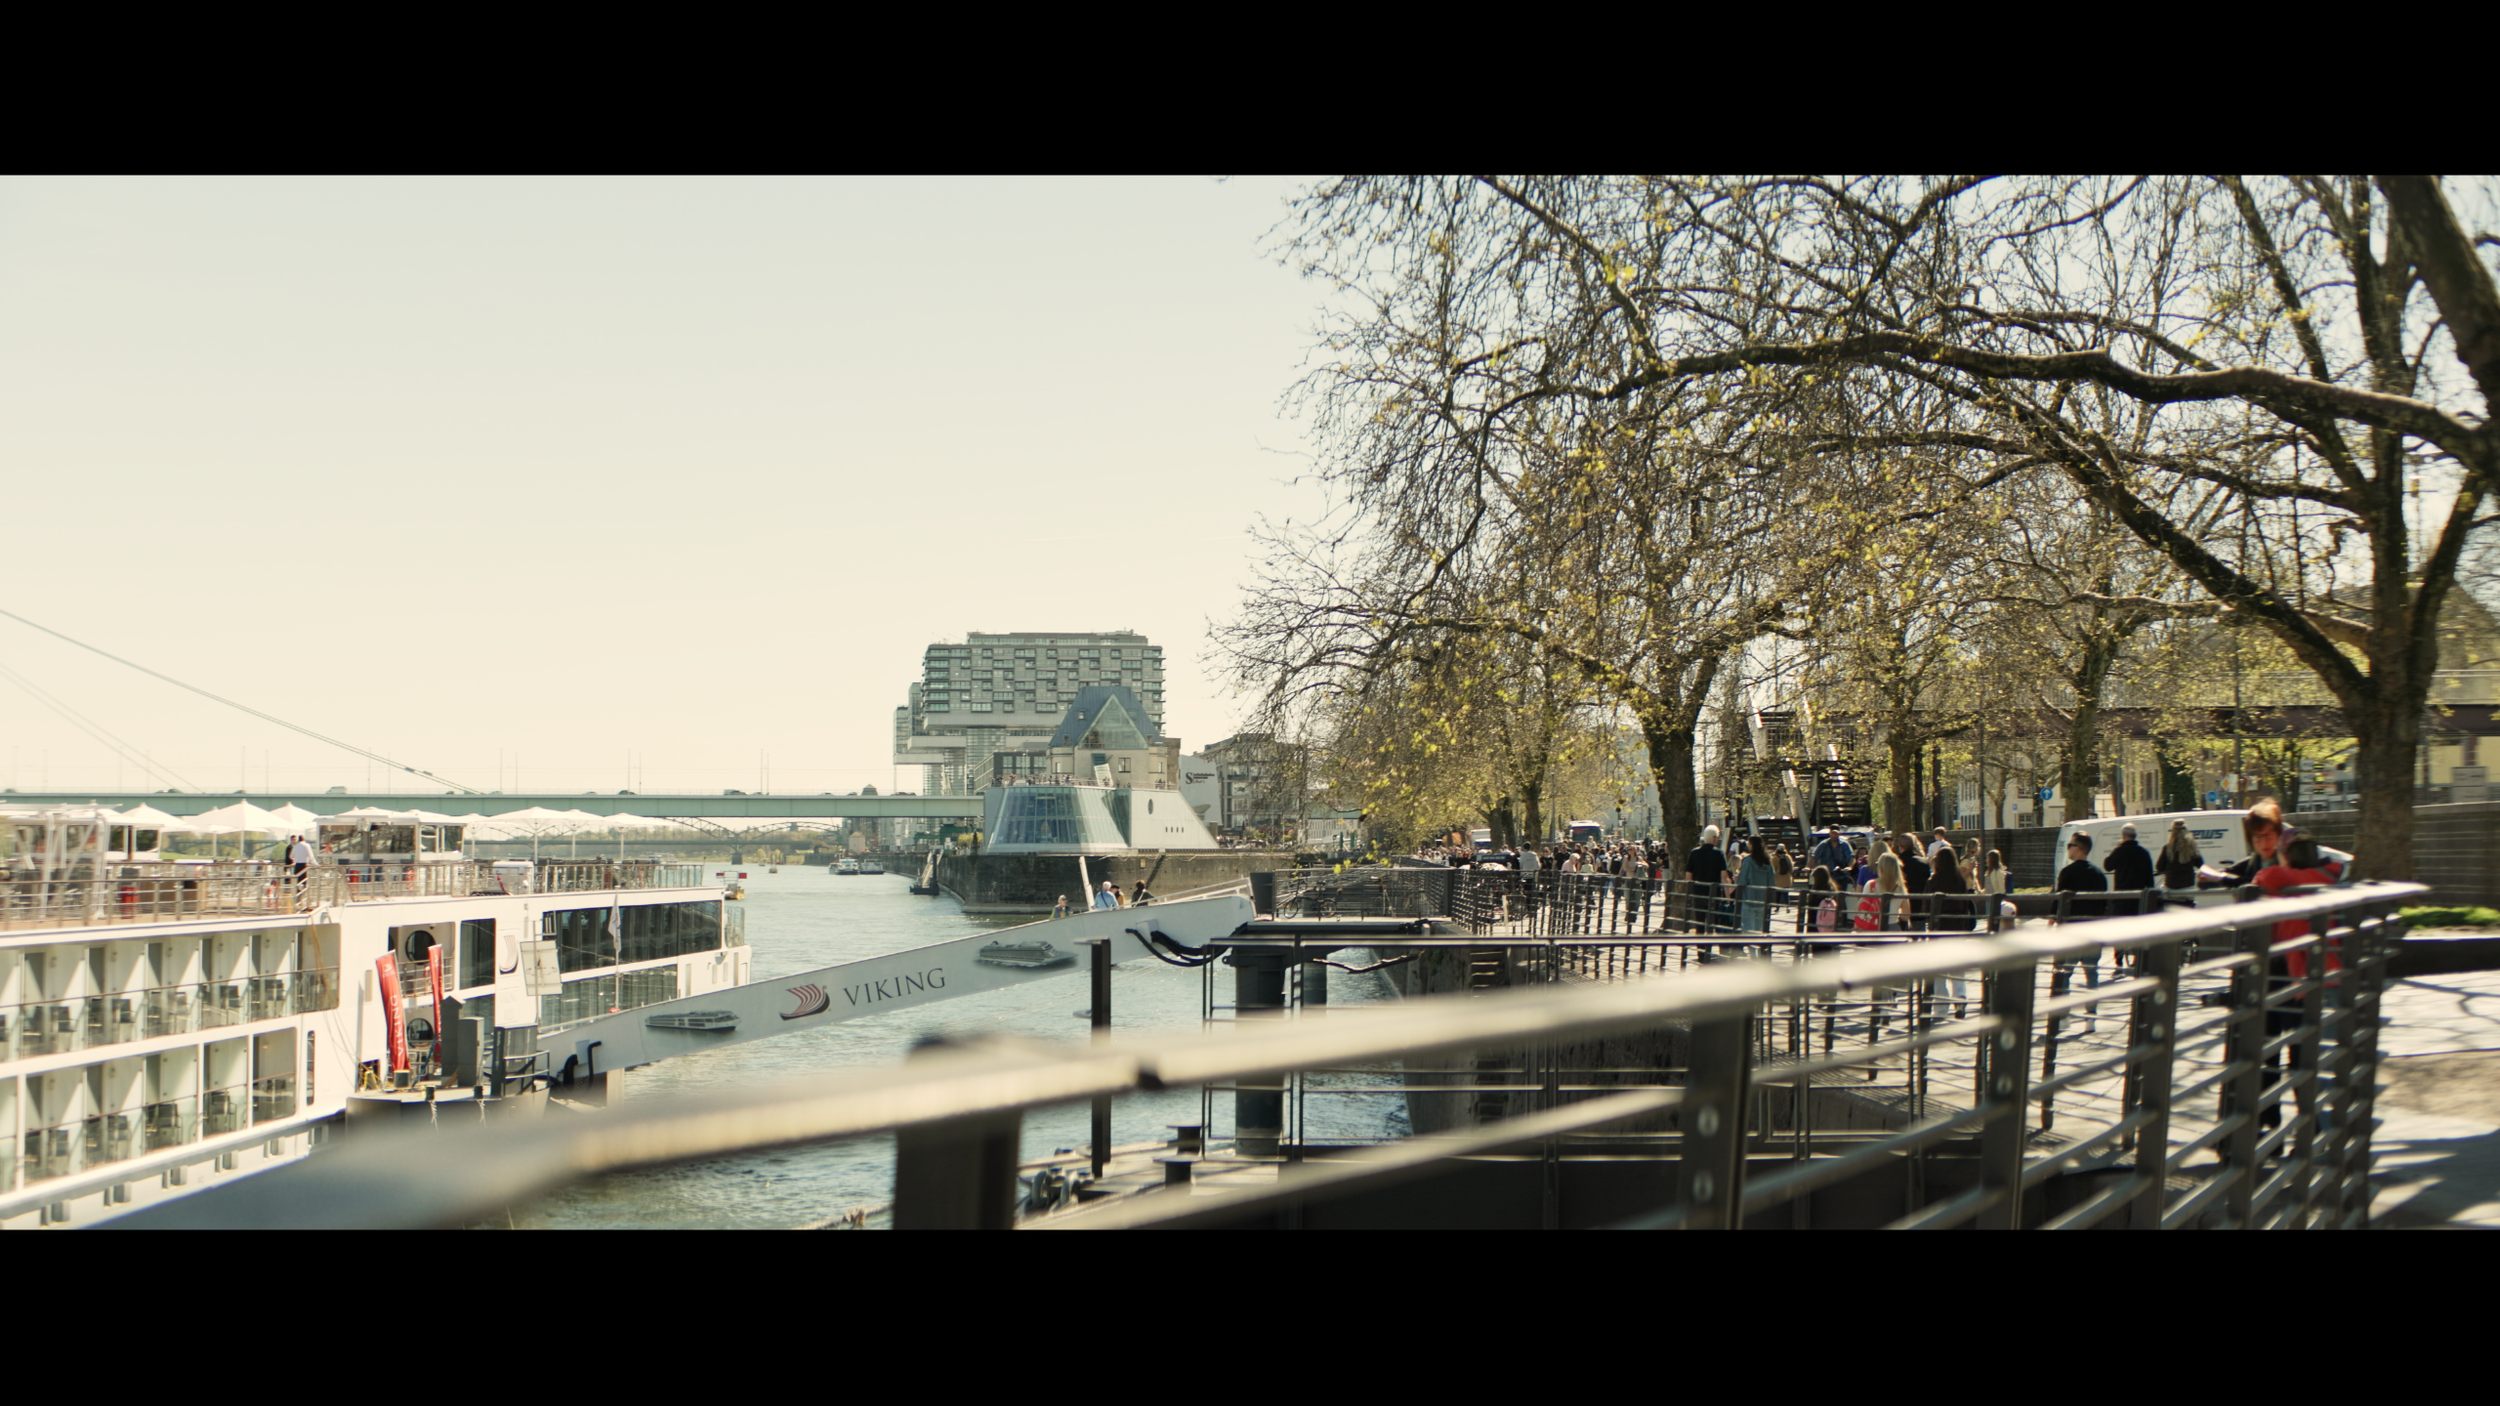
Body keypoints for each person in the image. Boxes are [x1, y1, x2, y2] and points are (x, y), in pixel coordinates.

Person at [2055, 833, 2110, 1029]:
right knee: (2092, 975)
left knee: (2064, 975)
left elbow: (2058, 904)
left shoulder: (2067, 873)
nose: (2068, 848)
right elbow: (2104, 905)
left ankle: (2063, 1018)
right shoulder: (2099, 875)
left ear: (2078, 848)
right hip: (2092, 932)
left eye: (2070, 845)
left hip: (2071, 932)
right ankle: (2090, 1018)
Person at [1685, 825, 1731, 934]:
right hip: (1714, 894)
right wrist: (1728, 898)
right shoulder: (1719, 853)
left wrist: (1690, 893)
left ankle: (1701, 950)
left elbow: (1688, 877)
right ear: (1715, 838)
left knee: (1699, 925)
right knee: (1714, 923)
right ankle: (1712, 948)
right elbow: (1724, 877)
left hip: (1698, 894)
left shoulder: (1694, 853)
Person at [1734, 835, 1775, 937]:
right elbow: (1772, 883)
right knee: (1759, 931)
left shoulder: (1748, 860)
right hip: (1763, 899)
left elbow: (1742, 881)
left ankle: (1753, 953)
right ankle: (1758, 951)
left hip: (1749, 899)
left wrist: (1737, 878)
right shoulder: (1768, 862)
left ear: (1751, 845)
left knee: (1748, 931)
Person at [2157, 819, 2203, 890]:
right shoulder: (2191, 847)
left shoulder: (2168, 847)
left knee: (2160, 895)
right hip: (2188, 885)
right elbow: (2200, 864)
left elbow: (2159, 867)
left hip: (2171, 886)